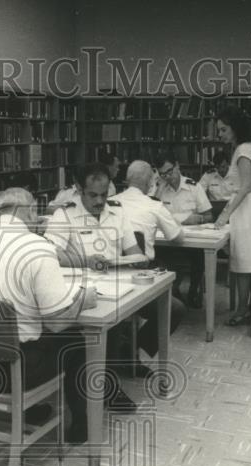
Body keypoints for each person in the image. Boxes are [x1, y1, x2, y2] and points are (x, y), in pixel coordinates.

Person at [0, 187, 98, 444]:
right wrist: (82, 300)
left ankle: (27, 411)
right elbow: (56, 322)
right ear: (28, 211)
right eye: (35, 211)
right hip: (11, 372)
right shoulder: (37, 246)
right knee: (77, 339)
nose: (37, 220)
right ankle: (81, 427)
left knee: (22, 331)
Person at [46, 162, 180, 382]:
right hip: (86, 289)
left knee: (175, 308)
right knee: (112, 319)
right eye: (93, 195)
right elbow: (51, 254)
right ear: (79, 190)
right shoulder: (65, 214)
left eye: (103, 194)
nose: (100, 201)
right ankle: (109, 387)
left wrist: (136, 261)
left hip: (121, 283)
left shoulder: (117, 211)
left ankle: (129, 353)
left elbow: (135, 252)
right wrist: (85, 261)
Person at [111, 160, 188, 374]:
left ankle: (126, 349)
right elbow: (178, 238)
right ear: (148, 183)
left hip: (111, 275)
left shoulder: (110, 202)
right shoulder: (154, 205)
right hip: (140, 277)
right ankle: (131, 349)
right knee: (176, 308)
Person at [213, 106, 251, 326]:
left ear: (235, 128)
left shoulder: (244, 151)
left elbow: (245, 186)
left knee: (246, 263)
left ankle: (243, 310)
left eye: (223, 129)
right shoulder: (241, 148)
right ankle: (245, 307)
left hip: (248, 209)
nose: (220, 134)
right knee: (242, 261)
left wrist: (225, 214)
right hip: (246, 207)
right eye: (219, 130)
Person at [153, 156, 213, 307]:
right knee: (156, 255)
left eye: (170, 171)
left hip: (191, 241)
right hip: (167, 242)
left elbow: (209, 216)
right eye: (163, 174)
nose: (168, 177)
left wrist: (198, 219)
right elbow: (150, 215)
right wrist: (183, 219)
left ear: (177, 166)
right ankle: (170, 290)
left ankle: (193, 291)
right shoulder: (159, 189)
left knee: (199, 256)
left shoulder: (194, 187)